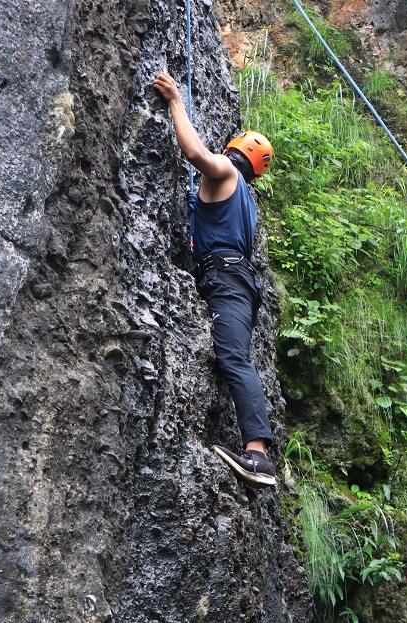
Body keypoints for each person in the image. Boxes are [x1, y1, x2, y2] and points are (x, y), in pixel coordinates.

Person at [153, 71, 276, 489]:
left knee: (235, 359)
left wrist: (174, 101)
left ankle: (258, 454)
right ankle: (255, 450)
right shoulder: (244, 198)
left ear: (234, 151)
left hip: (225, 279)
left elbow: (195, 155)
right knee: (231, 357)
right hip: (231, 277)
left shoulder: (224, 170)